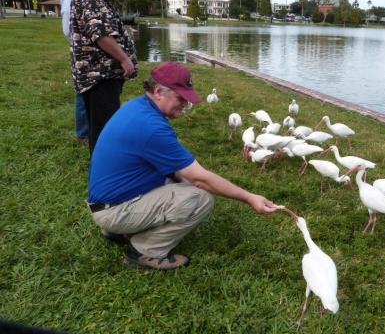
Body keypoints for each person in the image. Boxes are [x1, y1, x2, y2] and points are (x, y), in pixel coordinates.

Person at [86, 62, 279, 270]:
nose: (186, 104)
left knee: (185, 182)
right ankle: (144, 251)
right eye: (181, 97)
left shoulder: (139, 108)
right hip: (112, 210)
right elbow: (200, 178)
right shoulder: (151, 127)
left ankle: (120, 230)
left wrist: (189, 179)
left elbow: (179, 170)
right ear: (158, 91)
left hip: (107, 203)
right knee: (199, 198)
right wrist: (250, 197)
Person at [70, 0, 137, 153]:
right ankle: (106, 170)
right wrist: (124, 59)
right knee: (105, 126)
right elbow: (101, 35)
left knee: (100, 123)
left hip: (102, 74)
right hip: (100, 75)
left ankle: (102, 164)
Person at [60, 0, 100, 145]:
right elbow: (68, 29)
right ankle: (83, 134)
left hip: (88, 50)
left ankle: (89, 129)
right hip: (80, 51)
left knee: (90, 89)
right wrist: (82, 47)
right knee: (82, 91)